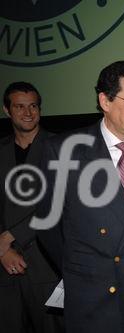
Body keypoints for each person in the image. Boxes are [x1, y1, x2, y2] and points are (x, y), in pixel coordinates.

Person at [35, 61, 124, 333]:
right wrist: (87, 269)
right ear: (105, 101)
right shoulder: (63, 151)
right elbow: (48, 226)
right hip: (92, 299)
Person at [0, 82, 64, 332]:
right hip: (3, 267)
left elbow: (58, 203)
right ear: (7, 110)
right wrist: (2, 248)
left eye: (33, 106)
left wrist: (11, 236)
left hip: (45, 263)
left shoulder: (60, 147)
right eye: (19, 107)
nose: (28, 113)